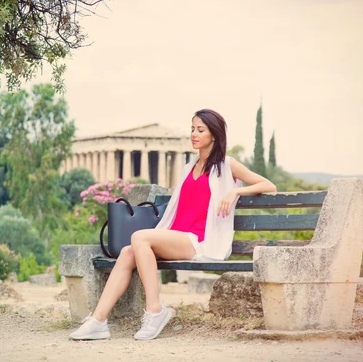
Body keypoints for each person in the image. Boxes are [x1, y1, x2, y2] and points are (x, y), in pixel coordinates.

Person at [69, 108, 277, 341]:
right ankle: (98, 320)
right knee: (128, 252)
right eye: (192, 129)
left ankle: (155, 310)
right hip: (177, 236)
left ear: (214, 135)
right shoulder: (188, 168)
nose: (194, 134)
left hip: (199, 241)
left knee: (139, 238)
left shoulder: (227, 165)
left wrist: (235, 191)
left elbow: (269, 185)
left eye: (200, 130)